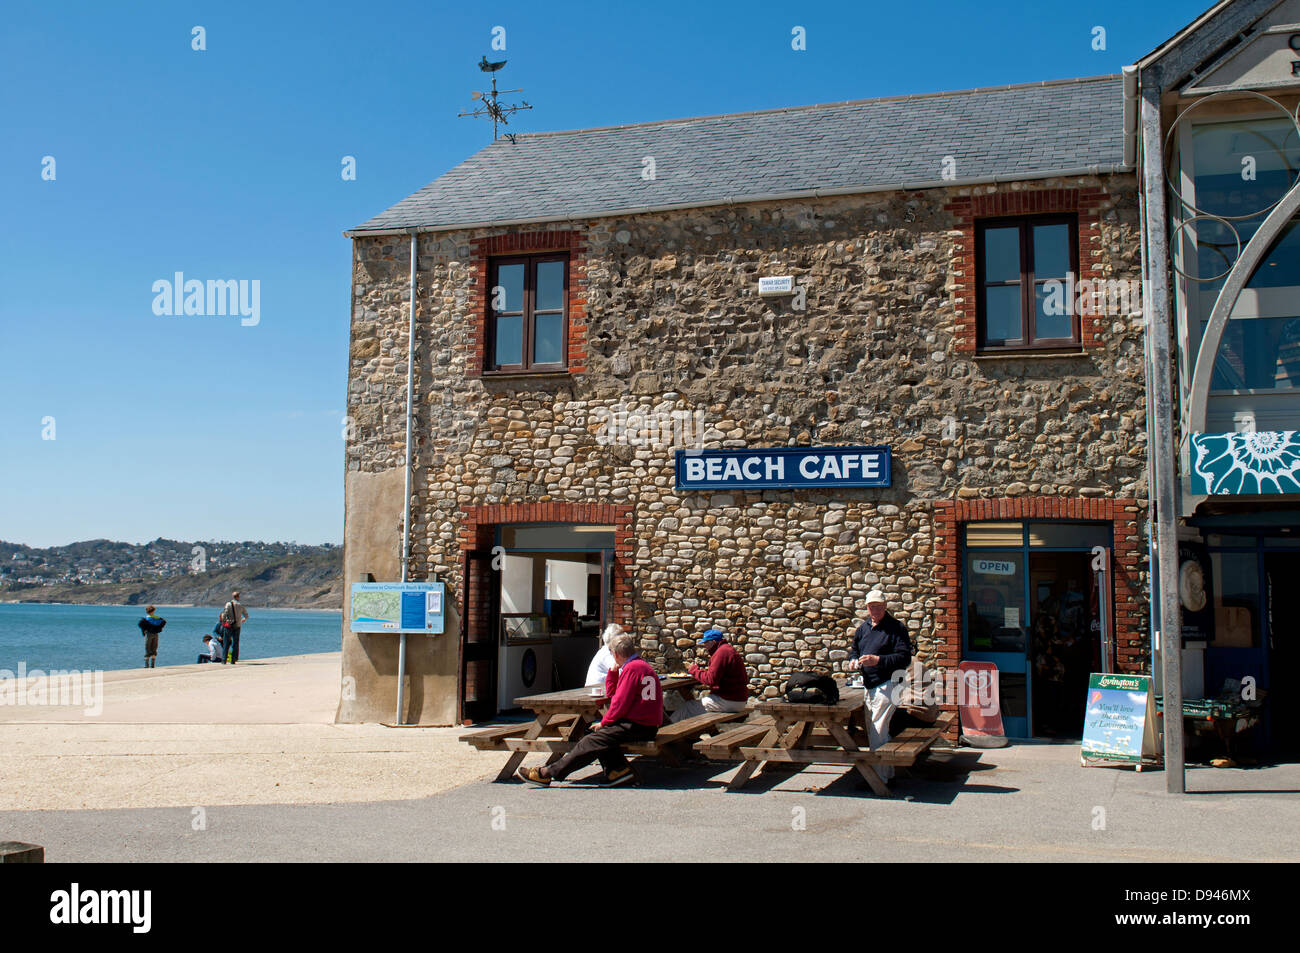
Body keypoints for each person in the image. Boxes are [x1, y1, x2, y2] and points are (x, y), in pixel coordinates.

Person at [518, 633, 661, 787]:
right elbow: (614, 696)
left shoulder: (631, 669)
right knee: (591, 732)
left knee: (593, 739)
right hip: (645, 724)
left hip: (638, 725)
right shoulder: (641, 666)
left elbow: (620, 703)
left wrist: (605, 722)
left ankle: (548, 773)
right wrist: (613, 673)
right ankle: (617, 771)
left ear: (616, 654)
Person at [844, 590, 912, 782]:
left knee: (877, 731)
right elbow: (854, 650)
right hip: (869, 685)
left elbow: (904, 657)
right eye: (871, 606)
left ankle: (876, 779)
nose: (875, 610)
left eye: (878, 606)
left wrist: (878, 660)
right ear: (867, 607)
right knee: (875, 731)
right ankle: (886, 774)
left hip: (889, 684)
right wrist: (853, 660)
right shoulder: (863, 628)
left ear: (885, 606)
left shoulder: (896, 628)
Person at [669, 628, 748, 722]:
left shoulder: (721, 653)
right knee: (694, 708)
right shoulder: (728, 649)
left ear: (713, 642)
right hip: (738, 700)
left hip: (729, 701)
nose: (705, 646)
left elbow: (711, 680)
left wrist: (694, 670)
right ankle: (692, 734)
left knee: (688, 707)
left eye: (706, 643)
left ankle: (666, 729)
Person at [221, 591, 249, 664]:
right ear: (238, 597)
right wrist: (243, 619)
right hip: (237, 625)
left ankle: (224, 659)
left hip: (229, 625)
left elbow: (224, 613)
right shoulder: (240, 605)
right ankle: (234, 659)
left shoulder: (228, 604)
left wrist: (224, 622)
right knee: (235, 643)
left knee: (226, 642)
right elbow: (246, 615)